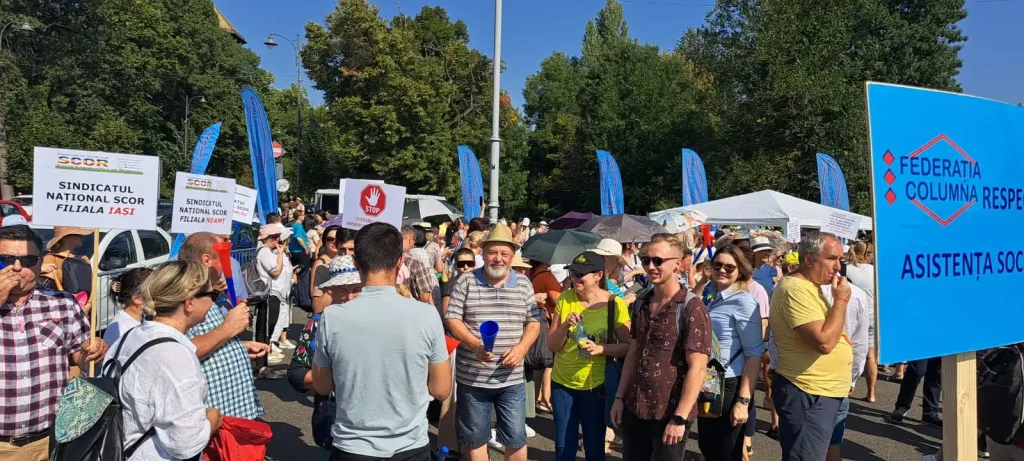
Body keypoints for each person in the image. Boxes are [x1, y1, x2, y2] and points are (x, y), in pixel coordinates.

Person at [312, 223, 451, 460]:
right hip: (410, 445)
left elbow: (322, 386)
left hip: (352, 446)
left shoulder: (332, 318)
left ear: (356, 263)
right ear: (399, 262)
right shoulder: (427, 315)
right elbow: (441, 389)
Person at [0, 225, 107, 460]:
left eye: (28, 260)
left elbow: (79, 355)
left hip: (50, 442)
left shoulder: (63, 304)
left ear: (40, 262)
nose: (17, 268)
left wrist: (91, 352)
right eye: (5, 259)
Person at [445, 223, 544, 461]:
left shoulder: (523, 284)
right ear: (483, 252)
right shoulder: (466, 281)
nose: (498, 259)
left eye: (504, 253)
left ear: (512, 256)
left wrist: (522, 348)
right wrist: (474, 345)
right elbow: (452, 319)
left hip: (511, 379)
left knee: (516, 439)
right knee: (475, 440)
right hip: (473, 377)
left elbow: (534, 322)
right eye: (493, 252)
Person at [610, 233, 711, 461]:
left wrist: (680, 418)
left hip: (670, 412)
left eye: (658, 261)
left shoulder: (692, 308)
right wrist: (619, 398)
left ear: (677, 264)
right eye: (646, 260)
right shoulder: (642, 302)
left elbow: (698, 368)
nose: (651, 266)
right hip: (635, 407)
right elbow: (633, 352)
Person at [109, 261, 223, 460]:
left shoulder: (131, 335)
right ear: (189, 303)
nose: (214, 302)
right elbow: (185, 443)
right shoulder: (175, 356)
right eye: (212, 295)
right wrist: (213, 418)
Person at [769, 232, 853, 460]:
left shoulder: (811, 286)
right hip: (808, 391)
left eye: (840, 260)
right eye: (832, 258)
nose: (838, 267)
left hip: (822, 390)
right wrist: (842, 300)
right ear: (808, 259)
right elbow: (824, 342)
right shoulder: (795, 289)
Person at [547, 251, 630, 461]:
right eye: (573, 273)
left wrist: (602, 349)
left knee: (594, 447)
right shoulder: (565, 298)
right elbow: (552, 345)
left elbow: (629, 346)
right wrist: (565, 326)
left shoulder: (614, 303)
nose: (575, 278)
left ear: (598, 276)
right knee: (564, 447)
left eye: (581, 274)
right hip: (563, 383)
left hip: (596, 386)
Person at [179, 232, 270, 416]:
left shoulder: (205, 296)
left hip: (233, 413)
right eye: (224, 256)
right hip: (216, 421)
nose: (229, 261)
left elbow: (207, 339)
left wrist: (237, 347)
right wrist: (229, 328)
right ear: (206, 260)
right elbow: (183, 351)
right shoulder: (184, 300)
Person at [290, 255, 364, 461]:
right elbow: (296, 374)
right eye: (342, 290)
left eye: (356, 289)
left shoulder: (379, 323)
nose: (349, 297)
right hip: (332, 419)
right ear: (331, 291)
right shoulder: (317, 324)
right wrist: (330, 376)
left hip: (373, 424)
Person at [698, 246, 765, 461]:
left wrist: (743, 401)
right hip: (709, 378)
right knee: (707, 445)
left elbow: (754, 354)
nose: (722, 270)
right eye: (717, 265)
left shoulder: (744, 301)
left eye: (729, 266)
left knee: (727, 451)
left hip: (730, 382)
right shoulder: (711, 293)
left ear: (740, 270)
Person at [822, 280, 870, 461]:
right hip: (840, 376)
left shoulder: (798, 288)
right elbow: (859, 344)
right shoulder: (857, 293)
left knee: (804, 443)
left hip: (806, 377)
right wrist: (852, 379)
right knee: (832, 442)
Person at [845, 241, 878, 402]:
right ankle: (871, 393)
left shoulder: (846, 269)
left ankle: (849, 384)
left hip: (851, 313)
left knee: (848, 350)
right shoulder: (875, 271)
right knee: (870, 355)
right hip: (873, 314)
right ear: (867, 255)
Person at [530, 259, 562, 414]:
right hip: (549, 323)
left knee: (538, 364)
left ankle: (535, 398)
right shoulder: (546, 276)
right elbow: (557, 299)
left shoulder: (533, 275)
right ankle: (545, 399)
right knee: (549, 363)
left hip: (537, 322)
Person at [40, 226, 94, 315]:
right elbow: (48, 288)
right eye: (78, 234)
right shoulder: (49, 259)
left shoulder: (83, 259)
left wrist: (89, 305)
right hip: (62, 310)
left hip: (85, 309)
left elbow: (93, 284)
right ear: (66, 238)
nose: (82, 237)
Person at [103, 267, 154, 347]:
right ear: (137, 299)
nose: (161, 296)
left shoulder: (139, 320)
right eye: (155, 291)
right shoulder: (124, 330)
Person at [271, 229, 297, 357]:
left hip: (285, 291)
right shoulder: (276, 253)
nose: (290, 240)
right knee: (276, 318)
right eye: (288, 238)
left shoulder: (285, 254)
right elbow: (277, 271)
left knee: (283, 317)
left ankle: (277, 341)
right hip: (277, 291)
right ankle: (272, 343)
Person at [401, 225, 439, 306]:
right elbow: (424, 297)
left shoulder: (388, 259)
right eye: (414, 240)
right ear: (410, 240)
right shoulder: (416, 264)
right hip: (413, 307)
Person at [311, 226, 345, 313]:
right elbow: (313, 293)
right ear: (324, 242)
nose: (334, 242)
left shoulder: (347, 260)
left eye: (337, 239)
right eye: (330, 239)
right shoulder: (320, 263)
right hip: (327, 310)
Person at [442, 249, 477, 318]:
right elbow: (446, 314)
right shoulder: (452, 285)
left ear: (474, 264)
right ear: (455, 266)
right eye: (461, 264)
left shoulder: (478, 281)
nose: (466, 267)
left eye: (470, 263)